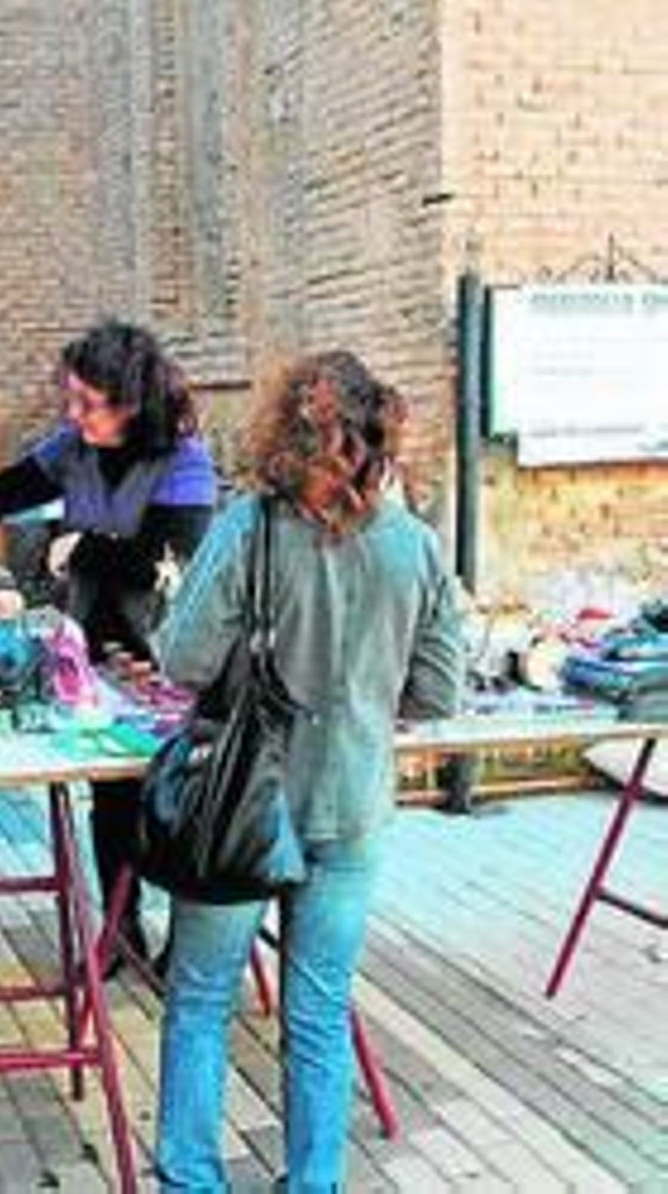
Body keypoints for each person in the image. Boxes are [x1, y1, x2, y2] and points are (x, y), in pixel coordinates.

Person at [150, 350, 464, 1189]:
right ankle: (314, 1183)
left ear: (282, 432)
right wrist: (360, 691)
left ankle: (192, 1180)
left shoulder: (248, 528)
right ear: (379, 436)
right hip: (353, 805)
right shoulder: (414, 546)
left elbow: (183, 657)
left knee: (203, 999)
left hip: (240, 810)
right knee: (318, 1014)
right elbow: (437, 692)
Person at [0, 320, 218, 969]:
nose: (73, 413)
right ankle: (120, 930)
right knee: (110, 800)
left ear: (132, 402)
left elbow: (173, 558)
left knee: (179, 803)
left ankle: (192, 946)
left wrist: (89, 545)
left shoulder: (183, 459)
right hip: (96, 649)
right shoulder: (73, 449)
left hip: (167, 654)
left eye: (89, 403)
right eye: (71, 398)